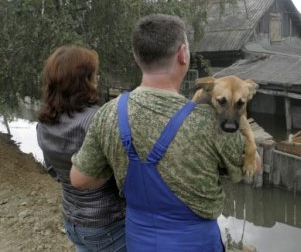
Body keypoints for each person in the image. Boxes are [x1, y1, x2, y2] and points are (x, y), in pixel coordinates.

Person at [70, 14, 261, 251]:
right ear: (183, 54)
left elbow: (80, 179)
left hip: (139, 239)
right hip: (196, 243)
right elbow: (253, 166)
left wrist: (120, 164)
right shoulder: (210, 123)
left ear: (136, 59)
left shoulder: (108, 114)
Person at [36, 45, 126, 252]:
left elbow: (52, 171)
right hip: (108, 224)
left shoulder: (43, 124)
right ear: (85, 80)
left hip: (72, 221)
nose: (97, 79)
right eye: (95, 74)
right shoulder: (98, 119)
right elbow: (124, 176)